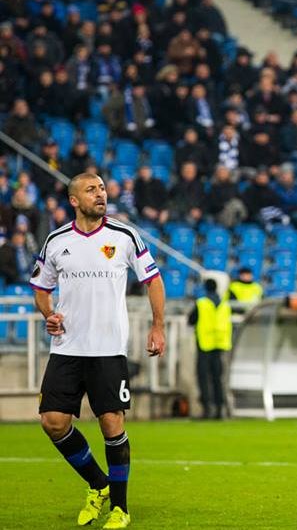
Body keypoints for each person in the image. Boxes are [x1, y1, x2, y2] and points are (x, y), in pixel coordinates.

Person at [30, 173, 166, 529]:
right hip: (67, 347)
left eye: (103, 188)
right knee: (53, 422)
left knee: (111, 424)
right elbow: (41, 288)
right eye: (91, 190)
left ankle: (120, 508)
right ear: (74, 200)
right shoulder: (57, 241)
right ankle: (99, 484)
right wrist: (49, 314)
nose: (100, 194)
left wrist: (158, 326)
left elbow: (153, 280)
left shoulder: (123, 236)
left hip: (107, 348)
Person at [188, 279, 232, 419]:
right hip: (220, 344)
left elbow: (191, 320)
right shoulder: (225, 304)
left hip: (204, 344)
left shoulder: (201, 303)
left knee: (203, 378)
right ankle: (220, 410)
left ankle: (207, 409)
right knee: (218, 379)